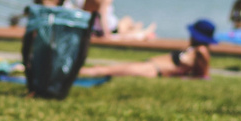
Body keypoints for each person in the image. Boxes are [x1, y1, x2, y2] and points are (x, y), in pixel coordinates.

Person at [79, 20, 216, 79]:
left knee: (104, 70)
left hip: (154, 70)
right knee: (105, 69)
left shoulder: (201, 51)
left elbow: (203, 75)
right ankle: (77, 72)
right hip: (150, 66)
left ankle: (74, 74)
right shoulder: (193, 49)